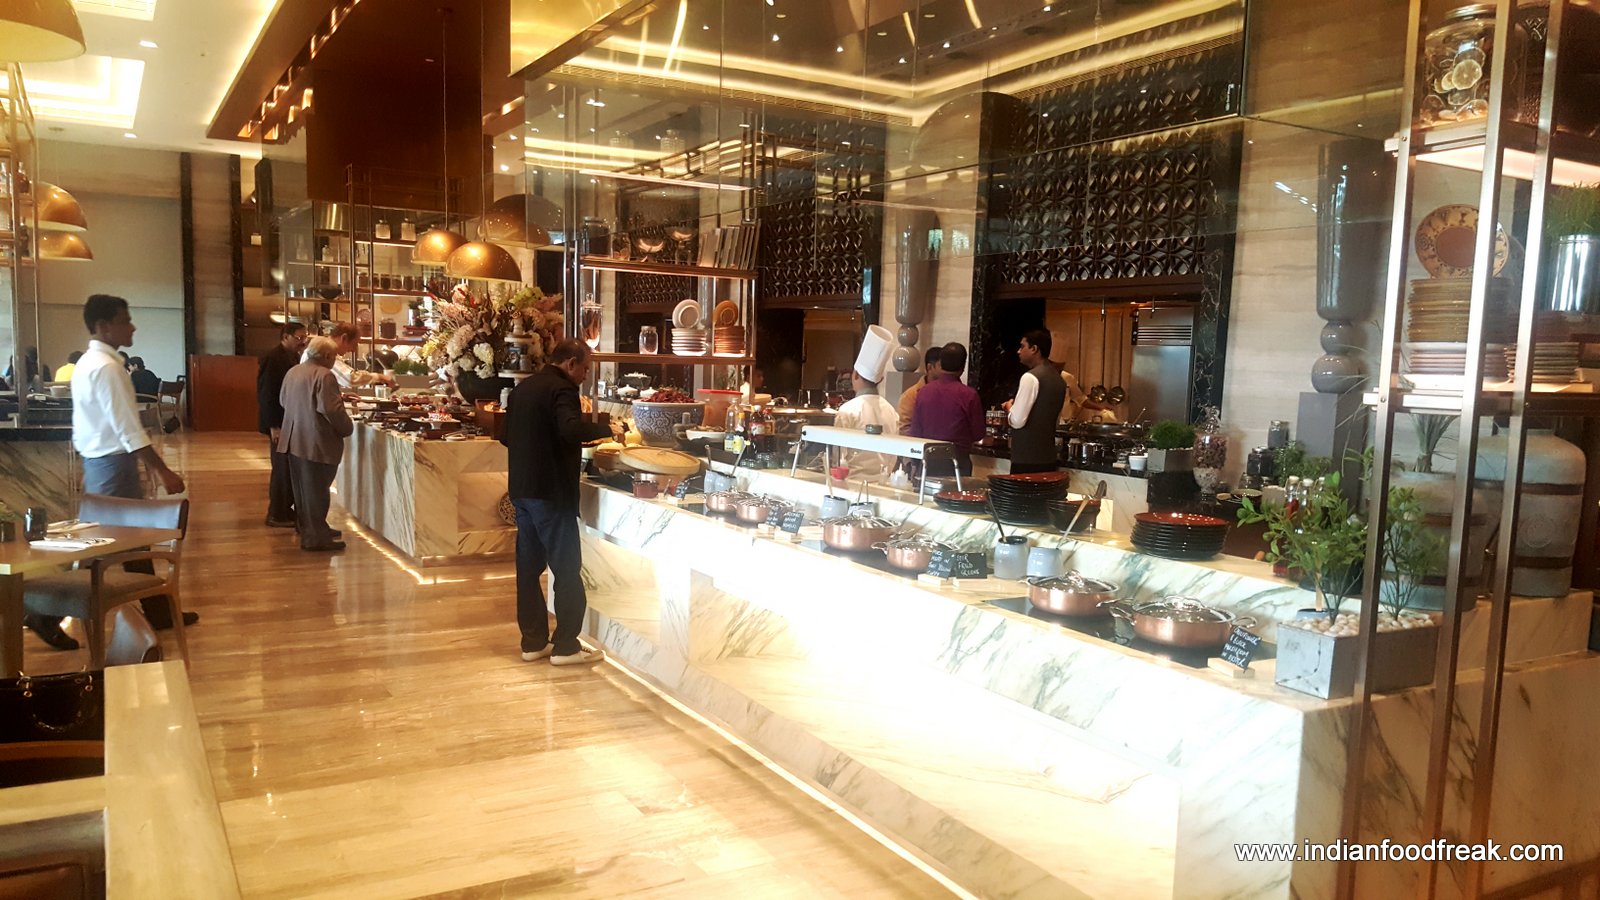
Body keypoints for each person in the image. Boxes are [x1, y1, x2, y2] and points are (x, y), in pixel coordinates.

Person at [25, 295, 194, 651]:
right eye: (125, 320)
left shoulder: (89, 362)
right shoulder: (108, 368)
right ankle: (44, 614)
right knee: (101, 545)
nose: (132, 326)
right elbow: (128, 430)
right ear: (104, 326)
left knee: (131, 539)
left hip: (101, 462)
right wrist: (164, 471)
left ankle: (159, 609)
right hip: (113, 466)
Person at [501, 339, 613, 667]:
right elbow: (570, 430)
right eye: (585, 368)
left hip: (522, 490)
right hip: (551, 492)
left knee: (528, 570)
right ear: (570, 363)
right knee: (566, 569)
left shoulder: (523, 388)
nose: (585, 375)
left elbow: (505, 435)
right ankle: (566, 647)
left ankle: (533, 642)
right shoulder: (562, 389)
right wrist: (608, 429)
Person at [278, 337, 354, 551]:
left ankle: (312, 528)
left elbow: (283, 401)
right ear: (327, 356)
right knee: (317, 491)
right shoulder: (324, 375)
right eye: (334, 356)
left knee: (303, 490)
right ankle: (316, 538)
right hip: (317, 441)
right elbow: (331, 410)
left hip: (294, 438)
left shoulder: (293, 372)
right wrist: (347, 428)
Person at [258, 323, 309, 528]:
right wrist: (273, 426)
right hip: (279, 422)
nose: (302, 342)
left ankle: (287, 511)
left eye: (304, 337)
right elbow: (267, 394)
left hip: (290, 420)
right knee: (281, 469)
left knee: (289, 469)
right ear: (285, 337)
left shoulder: (293, 357)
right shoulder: (273, 358)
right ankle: (277, 514)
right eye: (298, 337)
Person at [907, 342, 984, 476]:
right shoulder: (969, 395)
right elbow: (978, 433)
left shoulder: (923, 392)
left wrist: (914, 463)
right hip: (957, 464)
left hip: (927, 463)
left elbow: (915, 431)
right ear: (963, 367)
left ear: (941, 364)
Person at [833, 330, 899, 474]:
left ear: (855, 375)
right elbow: (894, 456)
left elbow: (838, 458)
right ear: (880, 380)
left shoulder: (847, 410)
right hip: (883, 483)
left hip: (851, 482)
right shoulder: (891, 411)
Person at [1002, 329, 1067, 474]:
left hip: (1026, 458)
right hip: (1047, 457)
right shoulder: (1059, 379)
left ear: (1034, 349)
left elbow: (1017, 421)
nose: (1019, 351)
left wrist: (1009, 407)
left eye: (1022, 346)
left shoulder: (1030, 377)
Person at [326, 322, 395, 389]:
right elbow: (349, 378)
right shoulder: (327, 352)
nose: (354, 350)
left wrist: (343, 395)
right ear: (344, 338)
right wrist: (379, 377)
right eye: (354, 344)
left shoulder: (329, 351)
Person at [896, 346, 944, 432]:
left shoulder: (949, 392)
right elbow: (904, 429)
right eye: (942, 366)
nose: (945, 370)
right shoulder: (911, 395)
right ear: (930, 367)